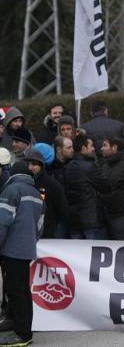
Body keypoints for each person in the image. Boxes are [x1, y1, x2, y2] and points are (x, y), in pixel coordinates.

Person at [0, 161, 44, 347]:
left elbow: (2, 223)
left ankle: (23, 333)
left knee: (16, 290)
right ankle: (13, 320)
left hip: (11, 248)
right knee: (21, 289)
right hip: (25, 249)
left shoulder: (11, 191)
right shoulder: (36, 194)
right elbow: (40, 225)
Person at [65, 135, 111, 239]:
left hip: (74, 220)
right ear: (83, 148)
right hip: (92, 220)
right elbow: (106, 187)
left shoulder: (68, 166)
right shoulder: (89, 167)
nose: (94, 148)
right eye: (91, 146)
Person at [23, 148, 67, 240]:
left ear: (41, 165)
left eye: (34, 164)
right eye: (28, 164)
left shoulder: (51, 184)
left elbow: (61, 207)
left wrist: (50, 222)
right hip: (27, 229)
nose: (30, 168)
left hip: (47, 231)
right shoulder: (24, 182)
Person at [101, 138, 124, 240]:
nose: (101, 148)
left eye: (105, 145)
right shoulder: (105, 165)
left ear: (114, 147)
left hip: (123, 216)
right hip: (108, 214)